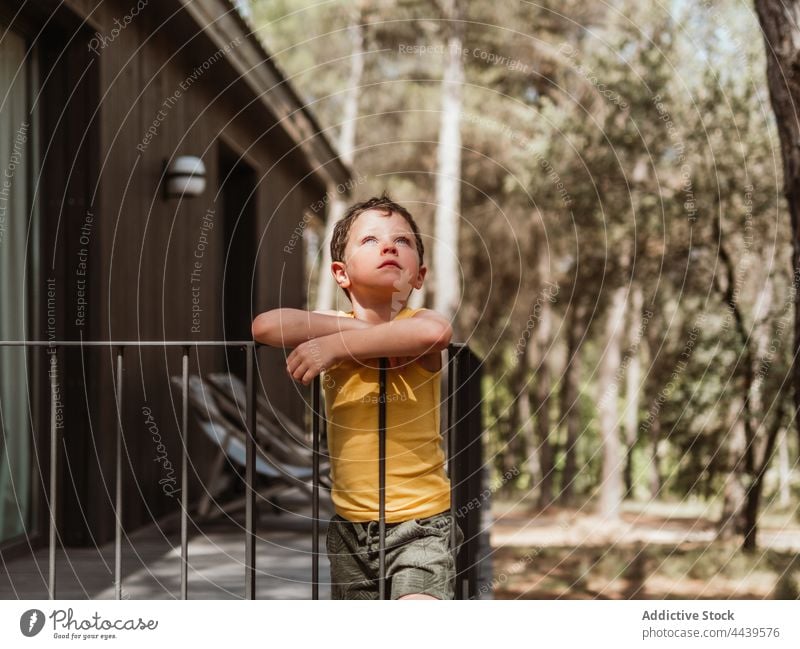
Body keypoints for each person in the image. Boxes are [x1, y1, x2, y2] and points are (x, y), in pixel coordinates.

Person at [251, 194, 463, 599]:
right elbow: (265, 326)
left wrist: (336, 347)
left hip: (421, 522)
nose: (388, 246)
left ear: (418, 275)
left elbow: (436, 334)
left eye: (401, 241)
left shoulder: (416, 325)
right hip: (351, 527)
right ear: (341, 273)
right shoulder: (333, 324)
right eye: (370, 241)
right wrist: (352, 334)